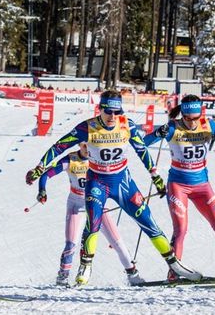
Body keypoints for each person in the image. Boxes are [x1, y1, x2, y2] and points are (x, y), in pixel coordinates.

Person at [26, 89, 201, 286]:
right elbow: (59, 146)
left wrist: (155, 176)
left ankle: (174, 264)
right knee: (93, 224)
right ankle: (86, 266)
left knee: (148, 221)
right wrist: (40, 167)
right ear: (100, 109)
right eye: (108, 111)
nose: (112, 116)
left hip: (123, 182)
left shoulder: (127, 125)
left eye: (117, 112)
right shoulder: (87, 127)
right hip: (97, 182)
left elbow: (141, 150)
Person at [144, 95, 215, 280]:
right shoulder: (172, 127)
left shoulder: (208, 124)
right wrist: (156, 134)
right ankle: (174, 271)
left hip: (202, 186)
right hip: (178, 186)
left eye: (196, 118)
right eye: (188, 118)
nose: (193, 123)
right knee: (181, 229)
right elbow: (143, 144)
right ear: (182, 115)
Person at [27, 143, 144, 286]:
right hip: (77, 205)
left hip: (98, 205)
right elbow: (46, 175)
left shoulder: (99, 159)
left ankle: (133, 276)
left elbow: (119, 175)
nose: (88, 150)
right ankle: (62, 278)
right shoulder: (70, 160)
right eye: (85, 146)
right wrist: (42, 190)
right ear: (80, 145)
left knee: (117, 242)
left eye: (91, 146)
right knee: (71, 244)